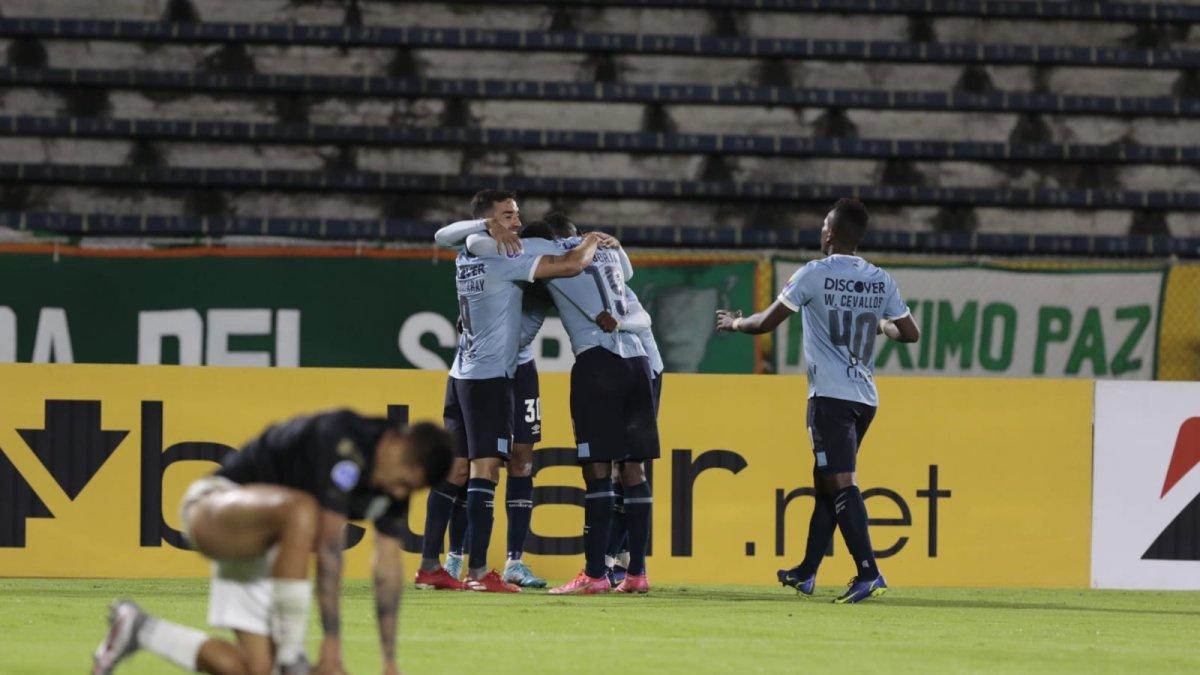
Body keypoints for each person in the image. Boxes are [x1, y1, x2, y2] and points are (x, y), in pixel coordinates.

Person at [92, 410, 455, 674]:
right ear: (396, 443)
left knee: (252, 669)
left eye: (409, 490)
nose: (398, 493)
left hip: (268, 551)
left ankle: (139, 628)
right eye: (404, 482)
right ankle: (291, 655)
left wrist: (390, 663)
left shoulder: (391, 480)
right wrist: (329, 648)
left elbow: (388, 570)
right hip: (216, 508)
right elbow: (329, 548)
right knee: (303, 509)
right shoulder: (341, 436)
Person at [715, 198, 919, 604]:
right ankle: (807, 571)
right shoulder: (880, 279)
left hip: (829, 397)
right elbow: (910, 333)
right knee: (826, 483)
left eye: (825, 225)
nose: (822, 230)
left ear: (830, 233)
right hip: (864, 398)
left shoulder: (814, 274)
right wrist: (879, 324)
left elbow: (765, 323)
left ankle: (869, 573)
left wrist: (734, 322)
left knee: (841, 483)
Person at [416, 190, 603, 593]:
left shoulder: (471, 251)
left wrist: (487, 228)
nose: (515, 222)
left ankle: (437, 565)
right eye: (507, 216)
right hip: (491, 375)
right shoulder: (510, 254)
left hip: (471, 370)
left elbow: (445, 235)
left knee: (492, 463)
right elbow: (572, 265)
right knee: (485, 469)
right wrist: (593, 241)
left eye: (517, 215)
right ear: (490, 221)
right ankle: (477, 569)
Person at [460, 219, 657, 595]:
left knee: (597, 472)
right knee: (634, 471)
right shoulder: (609, 252)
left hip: (598, 364)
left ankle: (595, 575)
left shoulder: (551, 252)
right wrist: (599, 241)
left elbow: (498, 255)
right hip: (640, 362)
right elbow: (629, 279)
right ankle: (638, 574)